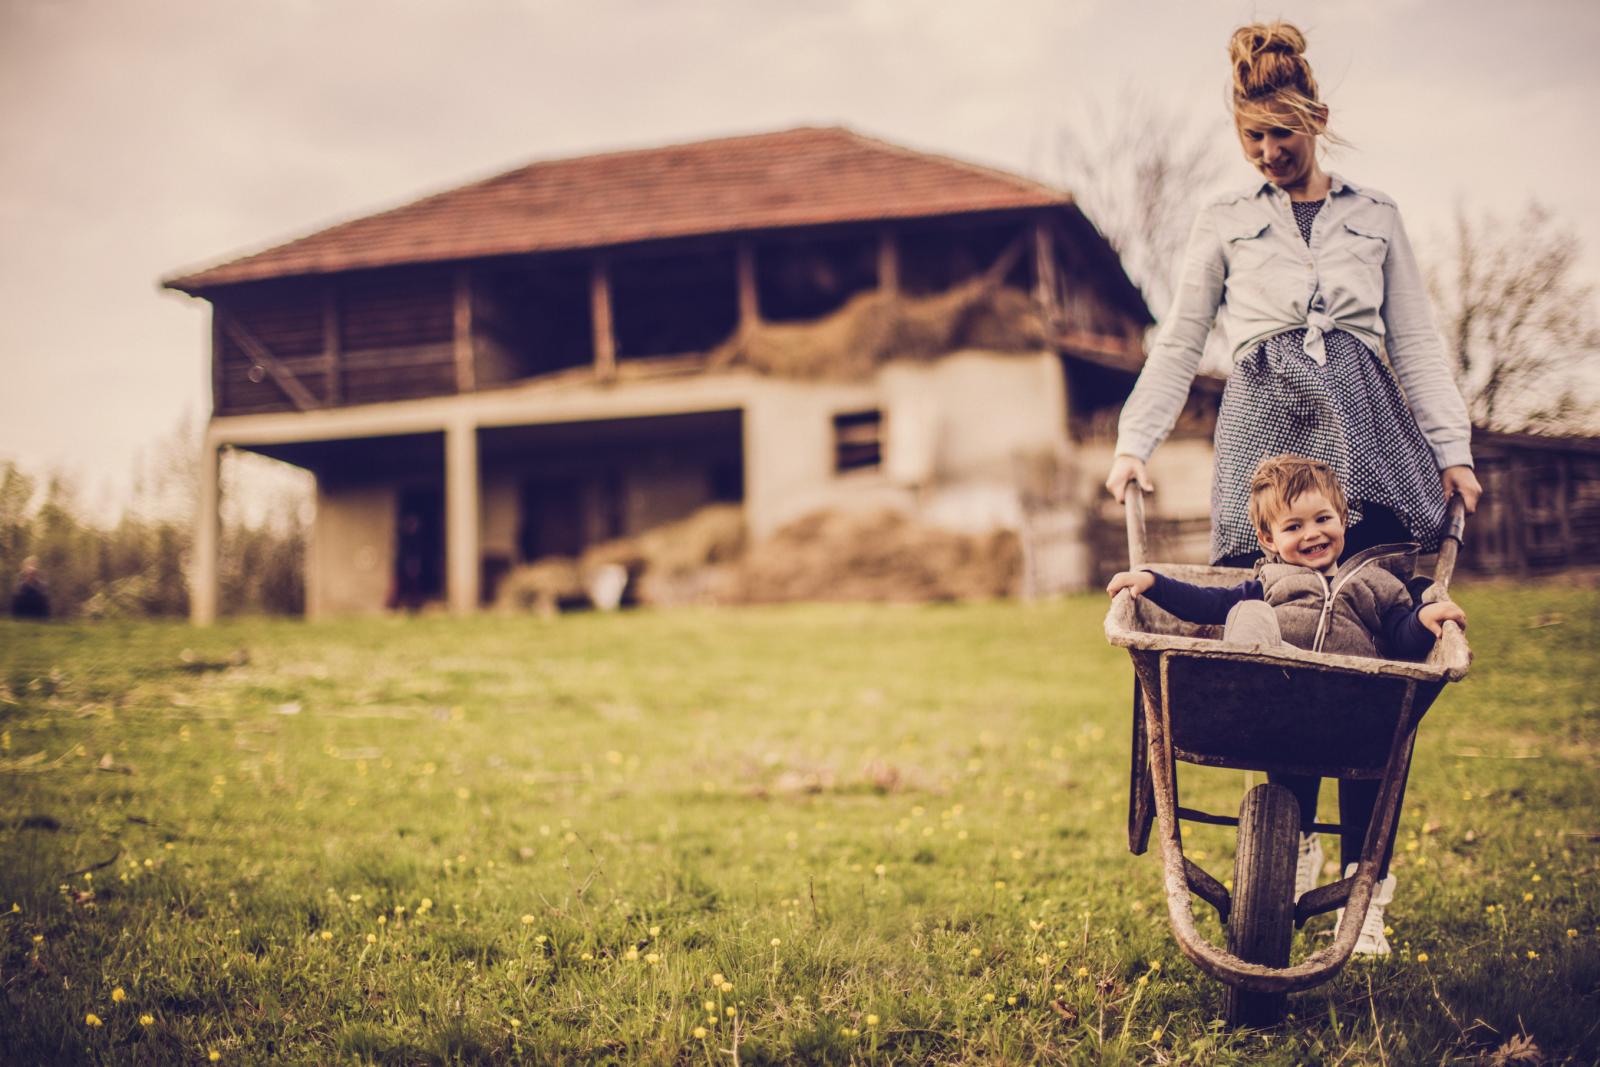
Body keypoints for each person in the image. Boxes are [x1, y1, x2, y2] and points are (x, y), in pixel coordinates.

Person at [1104, 21, 1482, 570]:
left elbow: (1416, 344)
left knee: (1370, 583)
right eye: (1252, 136)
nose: (1269, 150)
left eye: (1282, 132)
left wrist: (1453, 453)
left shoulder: (1376, 213)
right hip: (1263, 419)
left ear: (1317, 119)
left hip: (1361, 420)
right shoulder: (1223, 218)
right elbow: (1181, 341)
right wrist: (1133, 445)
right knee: (1259, 586)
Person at [1107, 454, 1467, 955]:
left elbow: (1401, 635)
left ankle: (1361, 903)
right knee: (1248, 615)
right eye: (1294, 526)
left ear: (1343, 520)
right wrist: (1152, 582)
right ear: (1269, 540)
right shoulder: (1269, 583)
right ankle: (1293, 842)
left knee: (1370, 792)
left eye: (1323, 519)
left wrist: (1424, 620)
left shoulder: (1374, 583)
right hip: (1277, 699)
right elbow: (1206, 602)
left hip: (1361, 707)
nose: (1312, 533)